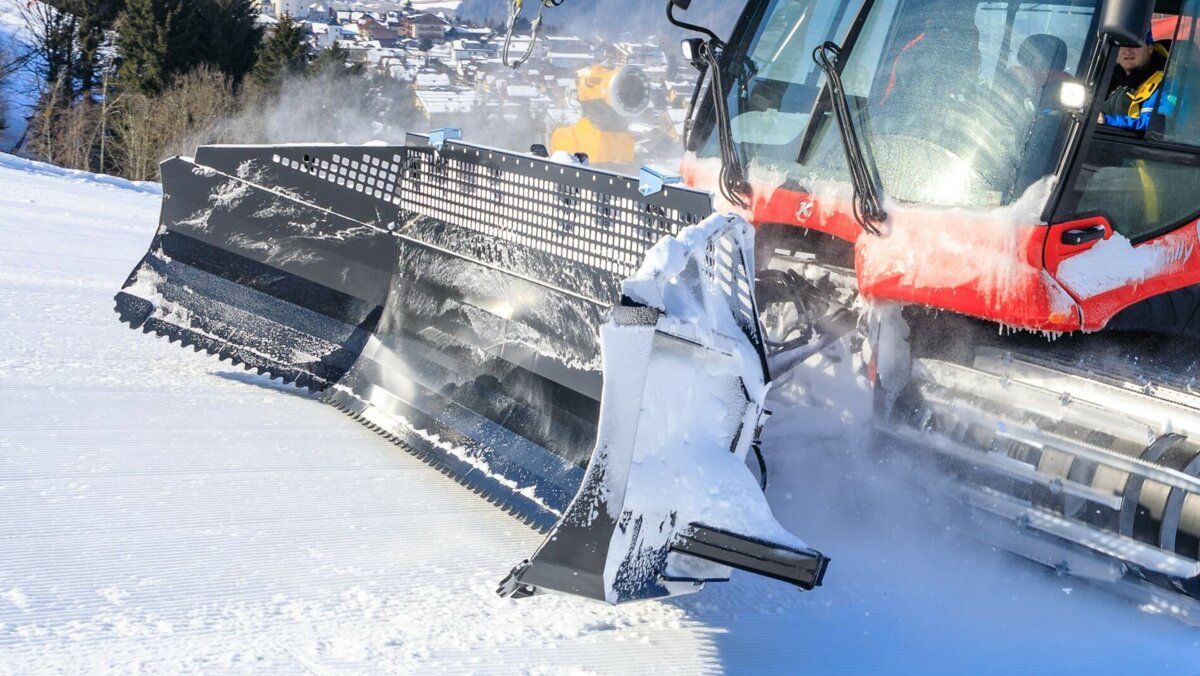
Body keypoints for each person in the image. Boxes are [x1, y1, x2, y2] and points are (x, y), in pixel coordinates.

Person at [1100, 33, 1174, 130]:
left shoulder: (1167, 86)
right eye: (1122, 44)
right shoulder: (1110, 81)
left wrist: (1106, 121)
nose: (1127, 51)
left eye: (1134, 44)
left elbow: (1159, 127)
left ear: (1150, 48)